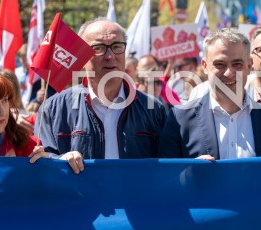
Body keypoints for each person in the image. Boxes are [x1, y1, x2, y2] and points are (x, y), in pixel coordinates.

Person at [31, 17, 167, 173]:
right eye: (99, 48)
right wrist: (59, 161)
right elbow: (40, 164)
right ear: (82, 55)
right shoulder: (53, 109)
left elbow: (168, 169)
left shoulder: (154, 109)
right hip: (79, 197)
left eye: (117, 46)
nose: (110, 56)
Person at [158, 28, 261, 160]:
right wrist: (190, 172)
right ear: (205, 66)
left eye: (237, 64)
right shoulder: (180, 120)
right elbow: (166, 177)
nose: (228, 73)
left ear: (249, 65)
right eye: (220, 64)